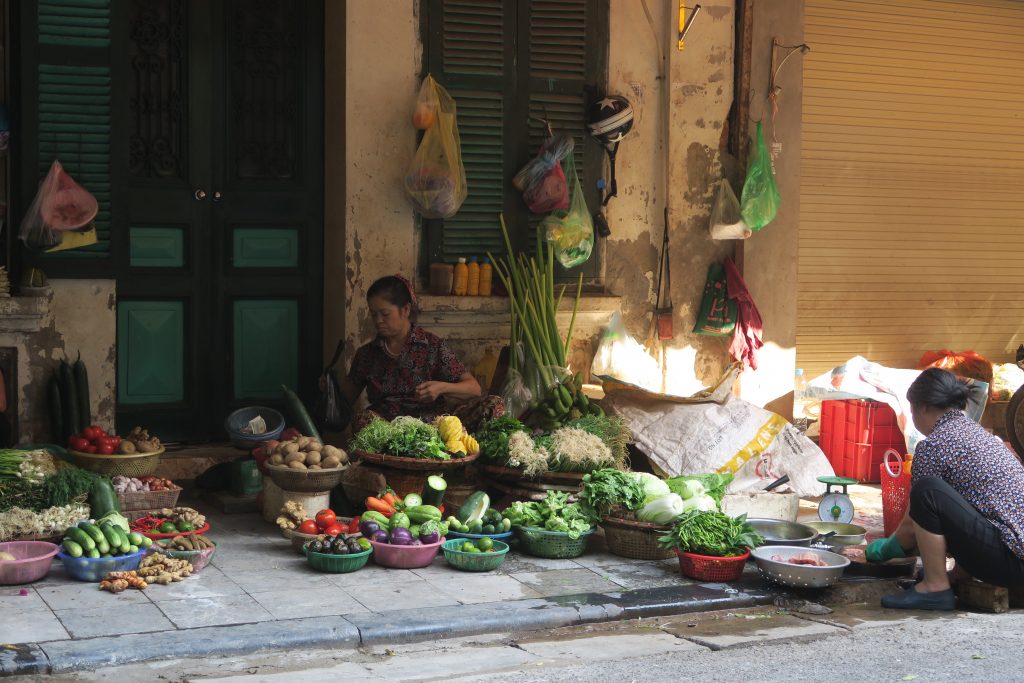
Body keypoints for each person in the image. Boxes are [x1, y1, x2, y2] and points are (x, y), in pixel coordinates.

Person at [868, 368, 1024, 610]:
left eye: (911, 410)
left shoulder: (934, 446)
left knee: (927, 492)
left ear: (924, 408)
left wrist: (884, 548)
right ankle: (954, 578)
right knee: (961, 498)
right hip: (1015, 557)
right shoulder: (977, 435)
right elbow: (974, 512)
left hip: (1012, 563)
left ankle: (935, 587)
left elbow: (911, 525)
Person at [342, 275, 502, 432]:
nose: (378, 321)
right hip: (389, 431)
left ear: (405, 309)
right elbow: (344, 400)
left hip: (434, 428)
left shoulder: (432, 346)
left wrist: (441, 388)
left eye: (385, 314)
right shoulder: (367, 355)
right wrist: (329, 387)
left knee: (493, 404)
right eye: (374, 314)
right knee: (363, 419)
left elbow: (474, 389)